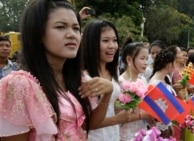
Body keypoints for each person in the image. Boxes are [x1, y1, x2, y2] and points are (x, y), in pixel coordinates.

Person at [0, 0, 113, 140]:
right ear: (38, 33)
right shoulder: (18, 85)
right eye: (61, 27)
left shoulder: (76, 79)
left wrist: (108, 93)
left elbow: (86, 125)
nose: (72, 34)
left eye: (76, 28)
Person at [119, 39, 150, 141]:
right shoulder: (120, 82)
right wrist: (143, 114)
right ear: (129, 60)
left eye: (147, 59)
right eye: (142, 58)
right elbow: (117, 115)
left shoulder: (143, 79)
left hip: (143, 131)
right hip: (126, 134)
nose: (146, 63)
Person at [149, 49, 176, 138]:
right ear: (169, 65)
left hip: (167, 121)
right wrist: (168, 123)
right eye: (174, 63)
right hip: (160, 125)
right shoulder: (155, 83)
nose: (175, 66)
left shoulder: (165, 77)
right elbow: (156, 109)